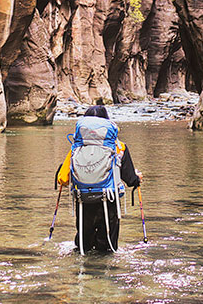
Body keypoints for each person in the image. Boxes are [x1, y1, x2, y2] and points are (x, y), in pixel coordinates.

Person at [54, 105, 141, 253]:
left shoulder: (76, 148)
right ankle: (103, 271)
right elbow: (130, 179)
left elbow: (62, 178)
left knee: (83, 247)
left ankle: (82, 272)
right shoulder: (119, 147)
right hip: (109, 199)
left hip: (84, 200)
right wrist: (137, 178)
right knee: (108, 249)